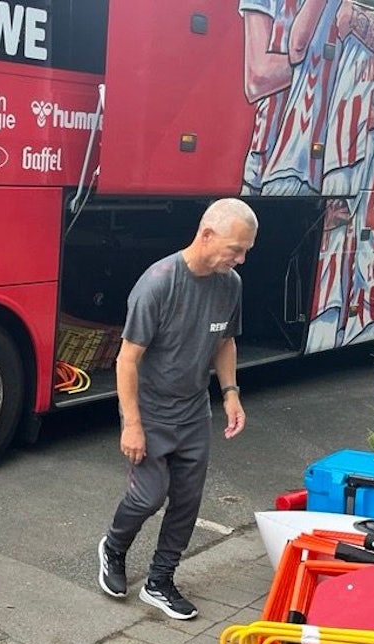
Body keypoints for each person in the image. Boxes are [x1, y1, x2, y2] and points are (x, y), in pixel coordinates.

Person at [97, 199, 256, 619]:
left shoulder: (230, 285)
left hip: (193, 411)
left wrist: (231, 393)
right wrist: (132, 424)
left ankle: (160, 582)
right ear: (207, 235)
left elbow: (225, 341)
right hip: (150, 411)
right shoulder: (159, 283)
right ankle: (113, 548)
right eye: (236, 249)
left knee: (187, 501)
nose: (240, 259)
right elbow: (126, 360)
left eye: (245, 251)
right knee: (149, 496)